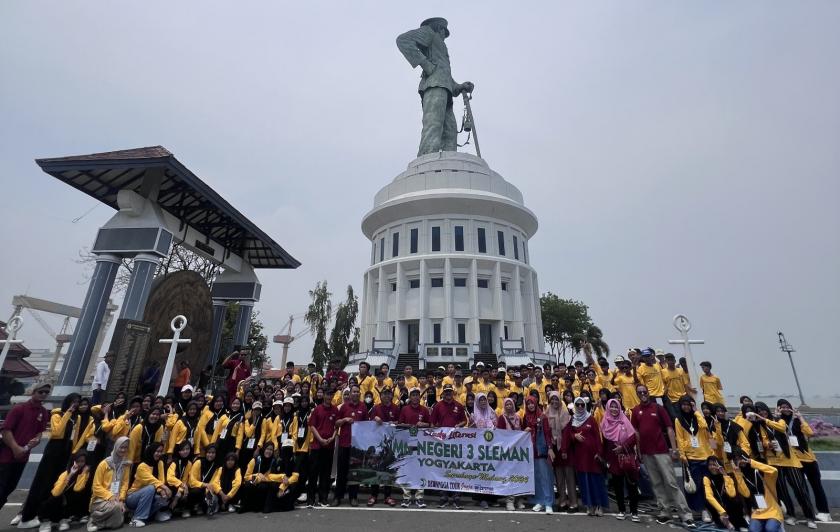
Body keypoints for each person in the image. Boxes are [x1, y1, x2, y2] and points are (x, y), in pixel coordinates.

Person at [396, 17, 475, 156]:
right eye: (445, 32)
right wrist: (427, 66)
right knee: (434, 124)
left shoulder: (441, 47)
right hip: (433, 86)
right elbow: (403, 40)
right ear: (439, 28)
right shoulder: (429, 33)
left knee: (450, 130)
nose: (445, 36)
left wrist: (460, 87)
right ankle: (426, 158)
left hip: (445, 88)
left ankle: (449, 161)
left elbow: (446, 76)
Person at [631, 384, 695, 528]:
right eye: (639, 392)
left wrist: (673, 449)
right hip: (647, 453)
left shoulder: (658, 408)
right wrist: (638, 451)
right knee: (656, 483)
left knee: (671, 482)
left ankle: (685, 514)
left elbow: (669, 428)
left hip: (662, 451)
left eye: (644, 391)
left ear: (648, 392)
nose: (642, 394)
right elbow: (636, 432)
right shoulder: (635, 411)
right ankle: (664, 511)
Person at [18, 393, 81, 529]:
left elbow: (74, 437)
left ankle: (53, 515)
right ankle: (29, 514)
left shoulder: (77, 418)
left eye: (78, 402)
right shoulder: (57, 415)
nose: (76, 404)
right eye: (73, 401)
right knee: (44, 482)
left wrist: (73, 453)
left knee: (59, 483)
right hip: (53, 452)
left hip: (66, 453)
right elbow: (57, 432)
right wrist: (68, 413)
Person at [776, 399, 831, 522]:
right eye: (781, 407)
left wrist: (800, 418)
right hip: (794, 462)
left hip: (808, 459)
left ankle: (824, 512)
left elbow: (809, 433)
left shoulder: (796, 421)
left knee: (816, 486)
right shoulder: (779, 423)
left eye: (787, 407)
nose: (785, 409)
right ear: (778, 409)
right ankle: (809, 512)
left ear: (791, 407)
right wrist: (776, 417)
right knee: (800, 489)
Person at [1, 382, 50, 518]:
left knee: (9, 489)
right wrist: (16, 448)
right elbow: (6, 430)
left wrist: (37, 440)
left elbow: (40, 432)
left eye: (46, 392)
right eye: (41, 392)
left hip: (23, 457)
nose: (44, 394)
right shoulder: (19, 409)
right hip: (6, 457)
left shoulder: (43, 412)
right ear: (33, 392)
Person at [562, 397, 607, 516]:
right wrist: (574, 436)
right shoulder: (572, 420)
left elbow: (597, 436)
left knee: (595, 481)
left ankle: (599, 505)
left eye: (582, 405)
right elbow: (568, 435)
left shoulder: (591, 419)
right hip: (580, 456)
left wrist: (599, 452)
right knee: (584, 482)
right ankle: (589, 505)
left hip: (593, 456)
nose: (580, 407)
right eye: (578, 405)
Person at [674, 395, 714, 521]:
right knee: (693, 485)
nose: (686, 407)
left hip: (705, 455)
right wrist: (682, 455)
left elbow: (704, 426)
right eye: (683, 404)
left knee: (706, 485)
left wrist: (696, 411)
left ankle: (706, 510)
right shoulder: (678, 420)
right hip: (690, 457)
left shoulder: (698, 418)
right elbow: (679, 439)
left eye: (688, 404)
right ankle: (695, 510)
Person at [601, 398, 640, 522]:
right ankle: (621, 510)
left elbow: (633, 437)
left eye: (616, 406)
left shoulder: (625, 420)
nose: (613, 409)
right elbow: (605, 443)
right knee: (618, 486)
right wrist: (606, 459)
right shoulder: (604, 423)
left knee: (632, 485)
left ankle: (634, 512)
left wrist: (622, 447)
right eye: (611, 406)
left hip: (627, 456)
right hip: (614, 459)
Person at [431, 384, 466, 509]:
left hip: (456, 442)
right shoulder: (438, 406)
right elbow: (432, 423)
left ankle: (456, 496)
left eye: (450, 392)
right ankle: (444, 496)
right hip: (441, 443)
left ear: (453, 392)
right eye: (446, 392)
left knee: (456, 468)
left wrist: (459, 425)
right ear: (443, 393)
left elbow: (464, 421)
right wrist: (437, 429)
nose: (448, 394)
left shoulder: (459, 406)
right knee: (442, 469)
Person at [36, 451, 89, 532]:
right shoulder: (65, 474)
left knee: (77, 496)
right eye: (78, 461)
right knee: (53, 499)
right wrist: (70, 474)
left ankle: (63, 519)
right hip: (58, 500)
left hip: (69, 502)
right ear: (73, 462)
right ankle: (46, 521)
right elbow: (56, 493)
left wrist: (83, 474)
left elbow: (78, 488)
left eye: (82, 461)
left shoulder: (85, 473)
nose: (80, 464)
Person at [88, 436, 131, 532]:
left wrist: (121, 499)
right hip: (100, 499)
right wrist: (110, 496)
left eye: (126, 447)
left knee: (118, 523)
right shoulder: (104, 464)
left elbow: (124, 484)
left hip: (117, 499)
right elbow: (96, 487)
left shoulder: (126, 465)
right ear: (116, 447)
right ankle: (94, 520)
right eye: (121, 447)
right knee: (116, 509)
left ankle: (100, 523)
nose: (123, 450)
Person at [333, 384, 367, 506]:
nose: (356, 394)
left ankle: (353, 497)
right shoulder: (343, 407)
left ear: (360, 393)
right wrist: (344, 420)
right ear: (350, 393)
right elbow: (336, 423)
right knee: (341, 472)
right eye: (354, 392)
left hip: (357, 446)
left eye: (358, 392)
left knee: (355, 472)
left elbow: (366, 426)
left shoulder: (363, 407)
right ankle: (338, 497)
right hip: (344, 443)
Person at [734, 451, 784, 532]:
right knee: (753, 530)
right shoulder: (742, 476)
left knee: (770, 529)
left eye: (741, 458)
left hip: (772, 510)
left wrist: (751, 462)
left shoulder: (760, 472)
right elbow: (745, 494)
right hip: (757, 512)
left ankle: (779, 527)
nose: (740, 461)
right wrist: (737, 474)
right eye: (736, 460)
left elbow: (774, 471)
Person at [398, 387, 430, 507]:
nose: (415, 397)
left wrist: (423, 424)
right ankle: (406, 497)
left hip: (421, 444)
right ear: (410, 397)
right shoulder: (405, 409)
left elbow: (430, 425)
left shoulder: (425, 410)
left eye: (417, 395)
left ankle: (419, 497)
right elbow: (399, 424)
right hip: (407, 443)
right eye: (413, 395)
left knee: (420, 471)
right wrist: (407, 425)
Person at [306, 387, 338, 507]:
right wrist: (320, 439)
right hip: (317, 446)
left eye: (331, 395)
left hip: (329, 447)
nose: (329, 397)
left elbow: (336, 426)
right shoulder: (317, 410)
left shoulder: (335, 410)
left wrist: (332, 437)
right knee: (313, 474)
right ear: (323, 396)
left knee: (326, 474)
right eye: (327, 395)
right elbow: (312, 426)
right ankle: (310, 499)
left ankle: (323, 498)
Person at [126, 442, 172, 525]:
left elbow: (161, 480)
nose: (159, 454)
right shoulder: (142, 466)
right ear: (151, 451)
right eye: (157, 451)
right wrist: (164, 488)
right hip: (133, 497)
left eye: (161, 451)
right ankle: (137, 518)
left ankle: (152, 515)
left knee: (162, 498)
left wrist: (163, 491)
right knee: (150, 488)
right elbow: (152, 481)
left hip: (150, 495)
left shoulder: (160, 463)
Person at [368, 388, 400, 507]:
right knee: (376, 468)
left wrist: (395, 422)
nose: (386, 396)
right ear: (381, 396)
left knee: (388, 469)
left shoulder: (395, 408)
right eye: (384, 394)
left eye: (388, 394)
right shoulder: (376, 408)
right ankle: (373, 495)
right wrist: (374, 419)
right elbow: (368, 424)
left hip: (390, 444)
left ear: (392, 396)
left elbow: (399, 423)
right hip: (378, 443)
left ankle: (388, 496)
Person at [545, 391, 576, 512]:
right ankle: (562, 501)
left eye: (556, 399)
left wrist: (564, 449)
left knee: (569, 477)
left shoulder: (565, 412)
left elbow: (567, 434)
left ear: (560, 400)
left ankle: (573, 502)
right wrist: (550, 447)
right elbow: (547, 432)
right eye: (552, 400)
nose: (554, 402)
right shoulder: (547, 412)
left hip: (565, 449)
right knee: (559, 477)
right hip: (554, 450)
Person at [524, 396, 554, 514]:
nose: (531, 405)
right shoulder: (525, 417)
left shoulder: (543, 417)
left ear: (536, 404)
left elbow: (547, 433)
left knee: (545, 477)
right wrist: (525, 430)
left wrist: (550, 448)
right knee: (536, 477)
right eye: (528, 403)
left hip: (541, 450)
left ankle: (548, 502)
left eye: (532, 403)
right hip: (531, 451)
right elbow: (522, 432)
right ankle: (540, 501)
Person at [703, 455, 749, 530]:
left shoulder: (726, 476)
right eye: (710, 465)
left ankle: (737, 523)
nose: (712, 467)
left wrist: (724, 475)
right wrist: (722, 512)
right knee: (708, 502)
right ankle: (725, 522)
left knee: (736, 501)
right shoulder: (706, 478)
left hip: (728, 506)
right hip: (718, 508)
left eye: (714, 465)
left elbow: (732, 493)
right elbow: (709, 496)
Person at [470, 393, 498, 509]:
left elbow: (497, 426)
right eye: (480, 400)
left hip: (490, 447)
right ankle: (480, 498)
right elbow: (469, 430)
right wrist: (472, 424)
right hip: (478, 448)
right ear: (477, 401)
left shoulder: (492, 412)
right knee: (480, 473)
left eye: (484, 400)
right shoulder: (473, 415)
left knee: (490, 472)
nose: (483, 402)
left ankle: (491, 498)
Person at [187, 444, 220, 515]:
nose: (210, 455)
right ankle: (191, 507)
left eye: (213, 453)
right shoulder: (198, 462)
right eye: (209, 453)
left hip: (207, 490)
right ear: (205, 453)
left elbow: (213, 482)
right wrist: (204, 485)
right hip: (196, 488)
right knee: (195, 491)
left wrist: (208, 493)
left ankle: (203, 506)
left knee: (208, 505)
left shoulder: (216, 466)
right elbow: (191, 481)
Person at [166, 441, 193, 518]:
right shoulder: (174, 462)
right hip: (170, 485)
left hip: (180, 487)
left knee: (190, 491)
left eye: (187, 449)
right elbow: (170, 478)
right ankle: (167, 509)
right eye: (183, 449)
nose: (185, 451)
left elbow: (184, 480)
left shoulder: (189, 463)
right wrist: (183, 486)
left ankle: (182, 508)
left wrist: (177, 497)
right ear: (179, 451)